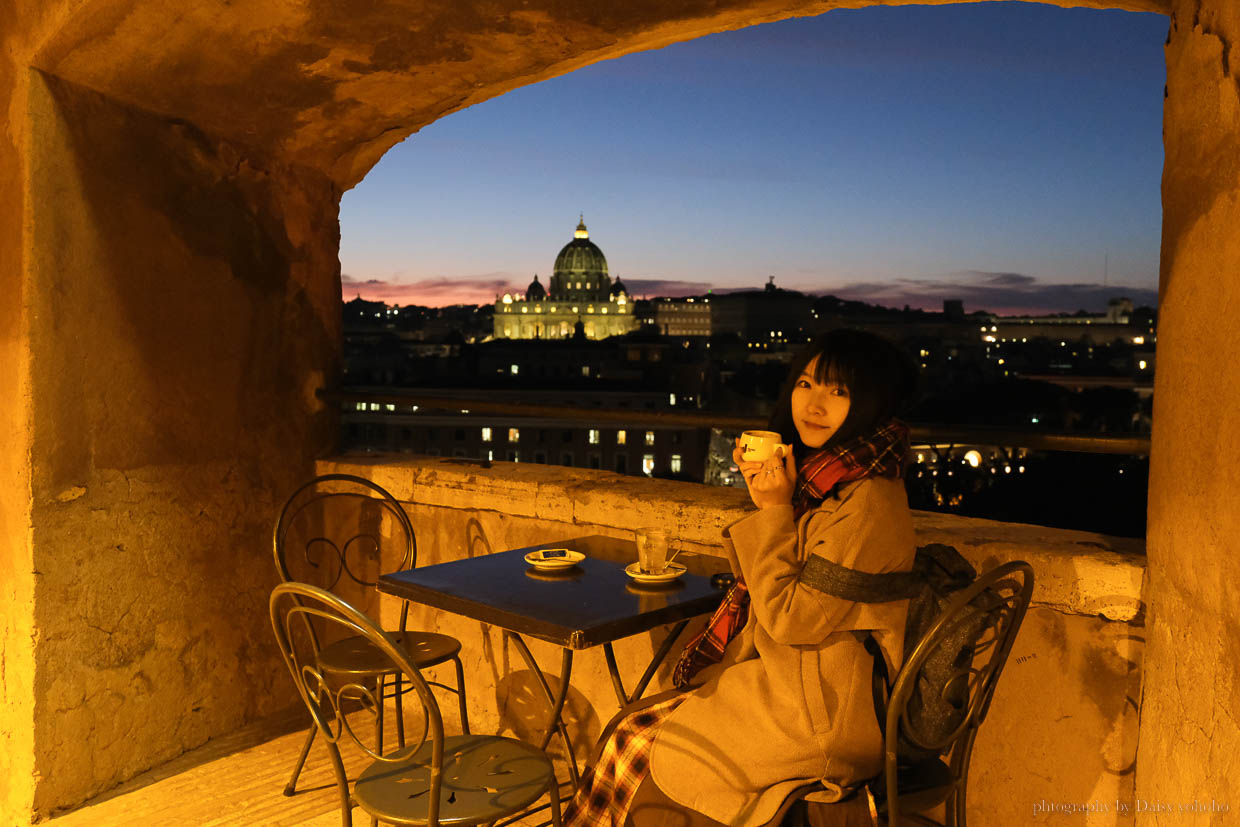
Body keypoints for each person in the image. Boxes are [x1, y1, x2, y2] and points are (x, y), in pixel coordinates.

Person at [564, 329, 919, 827]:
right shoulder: (826, 482)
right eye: (806, 384)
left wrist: (773, 511)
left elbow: (791, 619)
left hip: (821, 717)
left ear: (872, 402)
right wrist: (770, 498)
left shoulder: (867, 506)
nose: (814, 405)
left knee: (641, 749)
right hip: (791, 684)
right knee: (629, 729)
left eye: (839, 392)